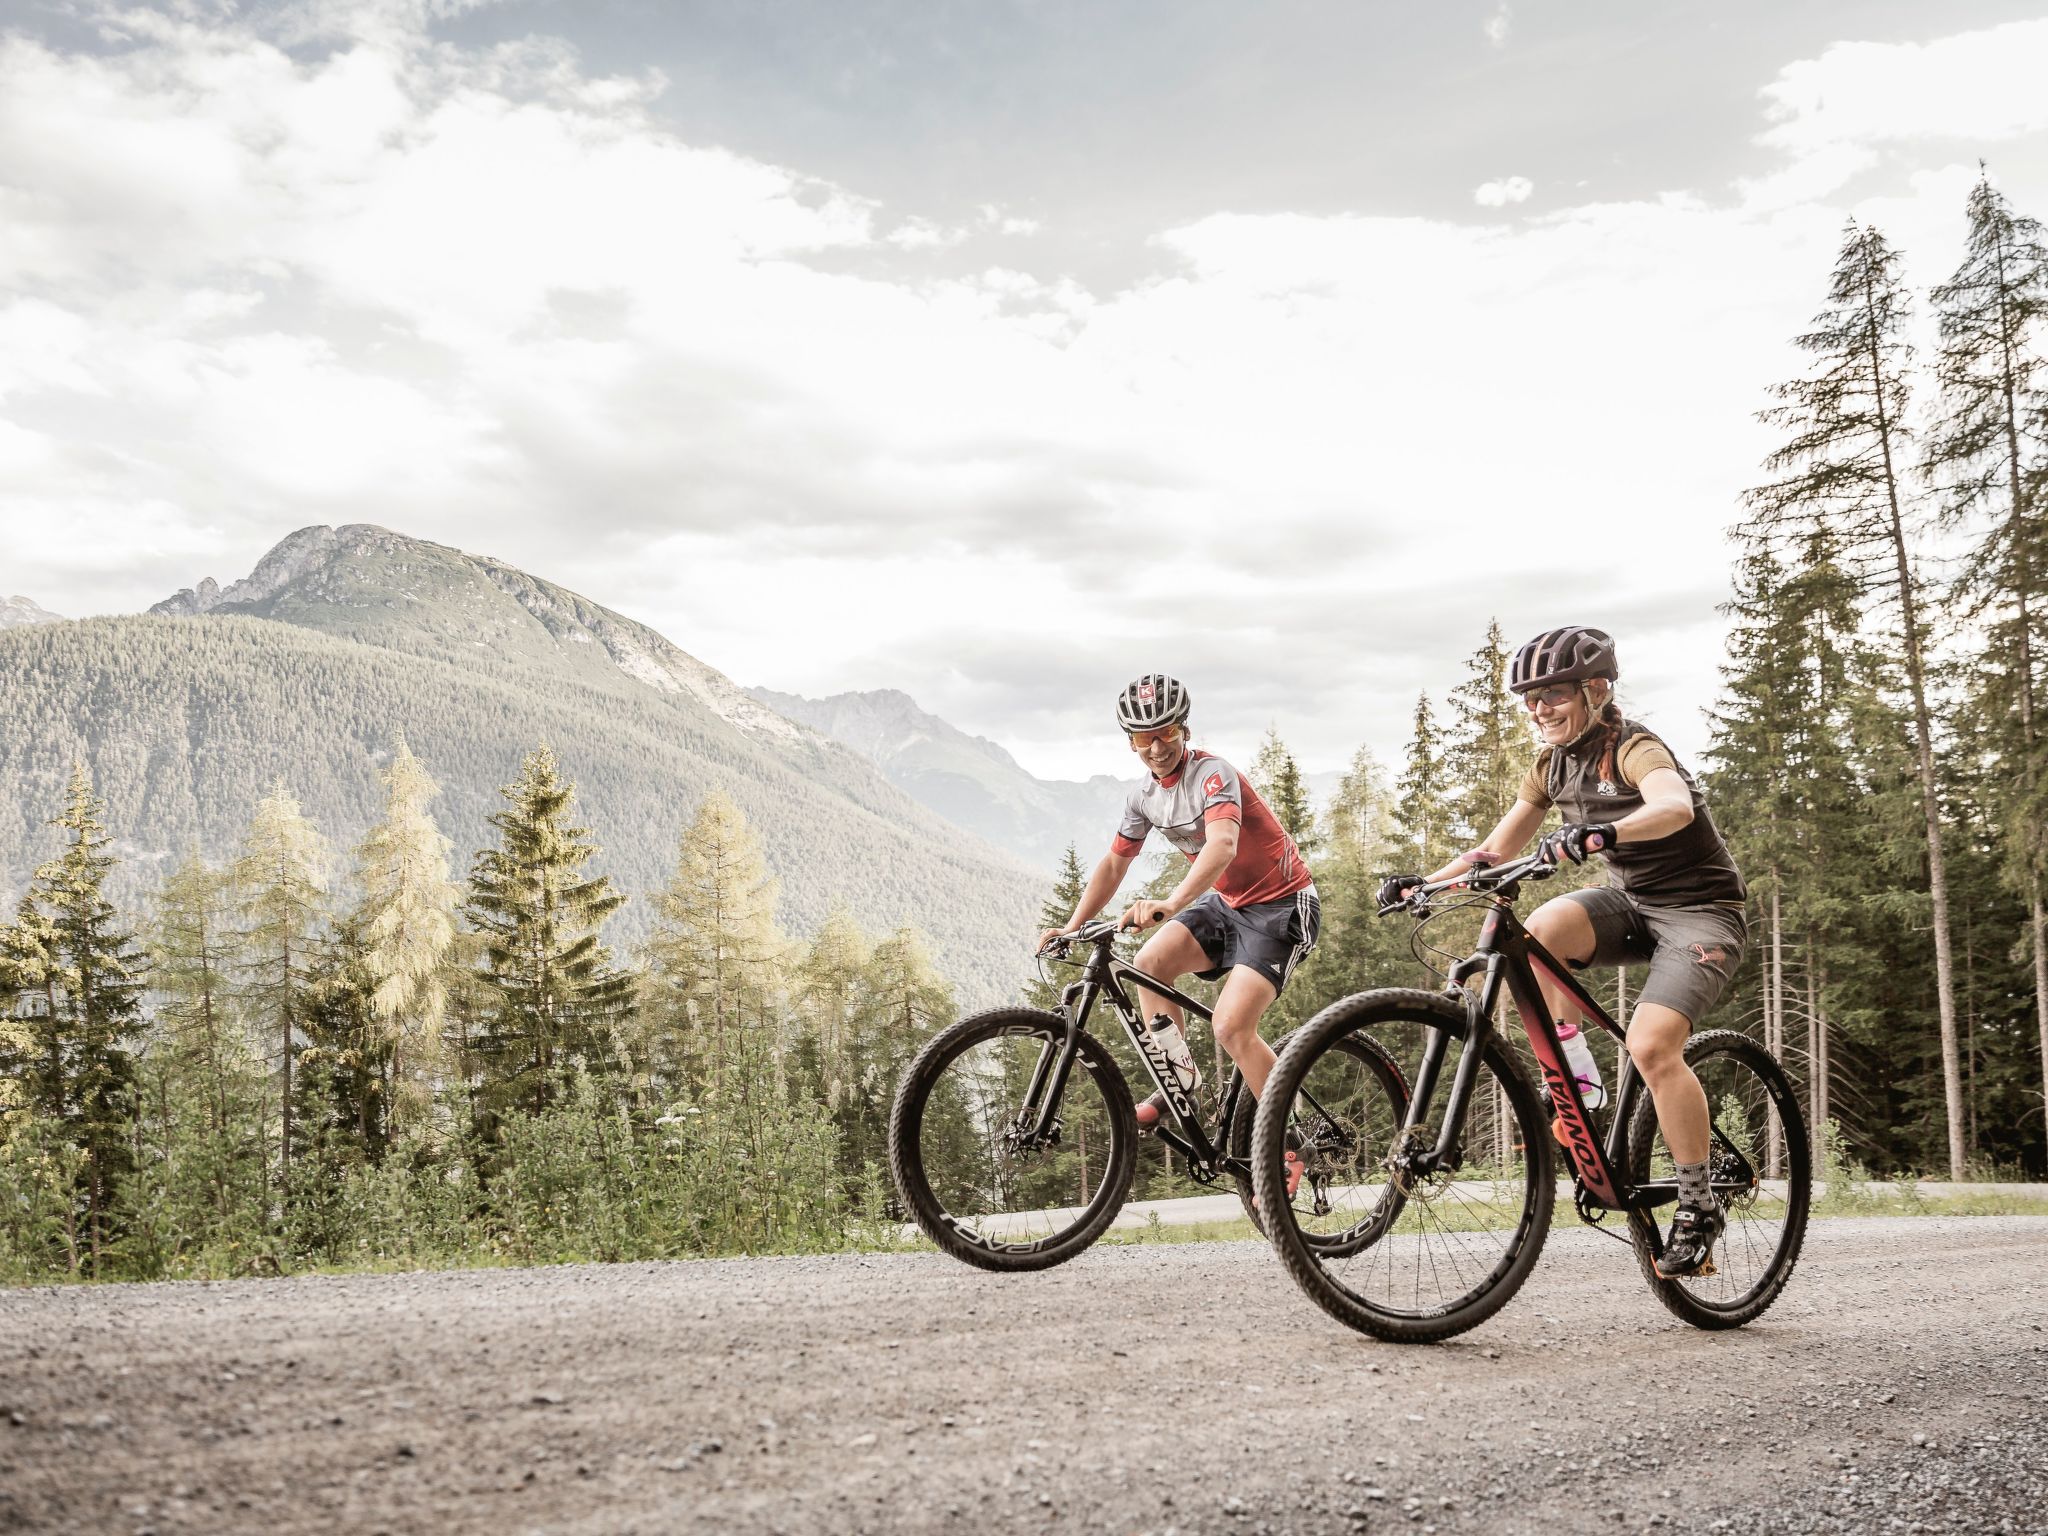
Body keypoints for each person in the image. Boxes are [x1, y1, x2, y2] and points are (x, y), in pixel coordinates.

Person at [1376, 627, 1747, 1279]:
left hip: (1701, 913)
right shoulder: (1550, 766)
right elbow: (1495, 849)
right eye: (1530, 699)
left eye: (1552, 695)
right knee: (1541, 928)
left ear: (1596, 690)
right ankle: (1579, 1082)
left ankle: (1697, 1207)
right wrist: (1426, 883)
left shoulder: (1633, 748)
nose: (1538, 709)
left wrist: (1605, 831)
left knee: (1652, 1046)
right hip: (1631, 904)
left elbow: (1673, 806)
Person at [1036, 673, 1320, 1178]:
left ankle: (1293, 1143)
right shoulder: (1143, 796)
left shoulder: (1213, 774)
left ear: (1184, 729)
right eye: (1143, 738)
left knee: (1231, 1027)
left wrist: (1170, 902)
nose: (1157, 747)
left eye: (1166, 732)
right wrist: (1072, 925)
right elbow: (1115, 863)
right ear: (1130, 742)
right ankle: (1181, 1083)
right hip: (1228, 904)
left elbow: (1222, 845)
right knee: (1149, 963)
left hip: (1282, 905)